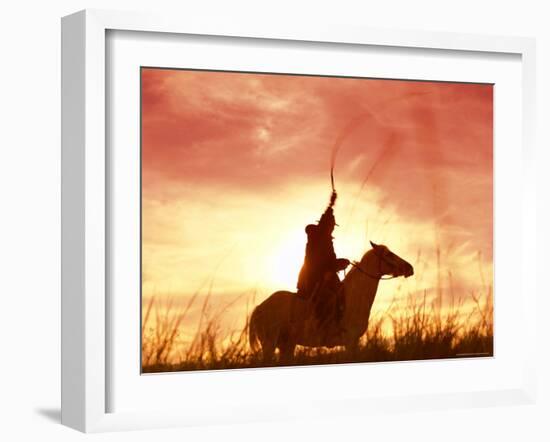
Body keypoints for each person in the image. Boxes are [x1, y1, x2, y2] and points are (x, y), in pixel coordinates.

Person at [296, 191, 350, 326]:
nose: (332, 228)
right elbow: (320, 263)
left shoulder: (327, 241)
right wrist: (331, 205)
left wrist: (341, 263)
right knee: (327, 297)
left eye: (333, 226)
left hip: (326, 277)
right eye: (330, 225)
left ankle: (338, 323)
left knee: (343, 293)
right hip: (313, 277)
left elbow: (330, 262)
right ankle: (321, 324)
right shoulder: (316, 236)